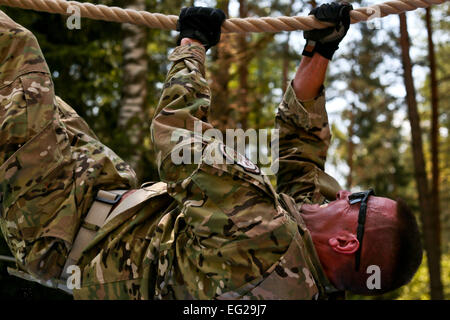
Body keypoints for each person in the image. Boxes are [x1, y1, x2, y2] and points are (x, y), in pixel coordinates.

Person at [0, 2, 422, 300]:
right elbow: (302, 160)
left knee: (17, 54)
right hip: (97, 200)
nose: (349, 192)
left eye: (362, 199)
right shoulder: (311, 274)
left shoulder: (262, 237)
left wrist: (191, 45)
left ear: (348, 242)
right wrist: (319, 52)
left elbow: (179, 139)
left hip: (58, 222)